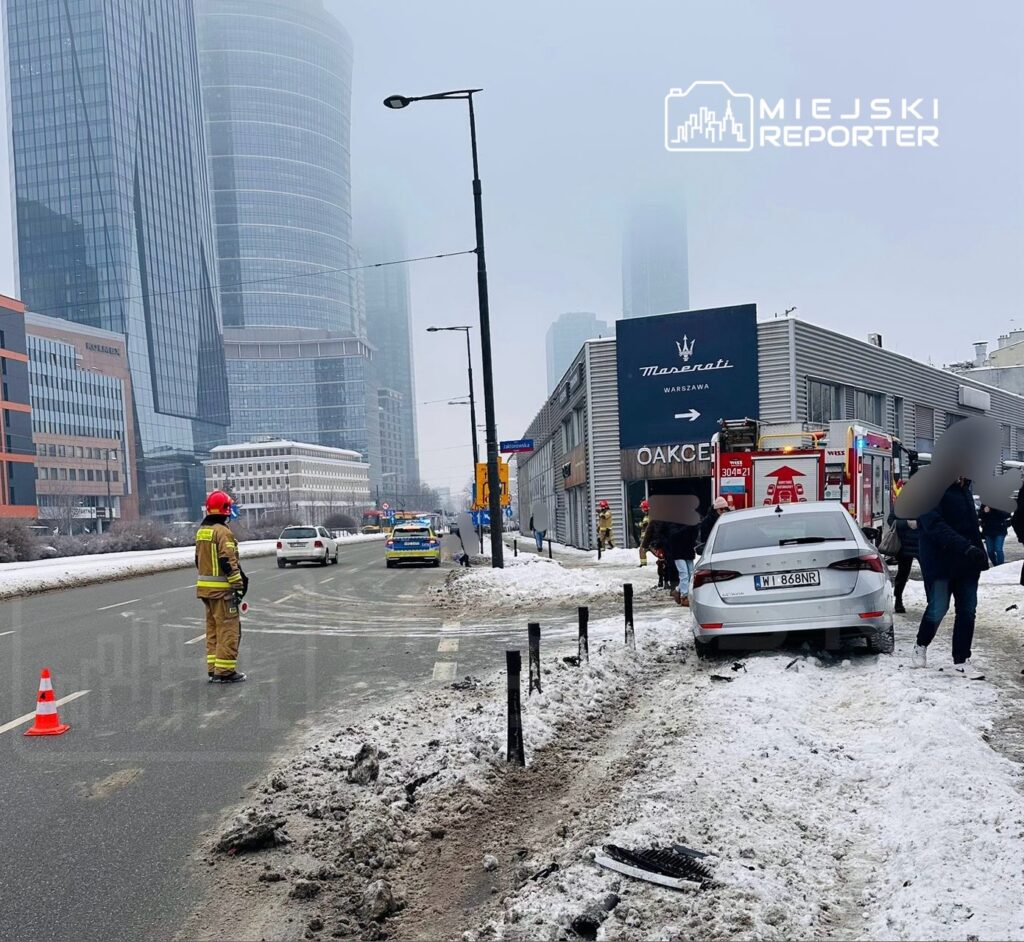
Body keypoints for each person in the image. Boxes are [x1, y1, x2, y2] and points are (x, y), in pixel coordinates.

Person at [912, 477, 988, 678]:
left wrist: (979, 552)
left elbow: (971, 526)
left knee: (967, 611)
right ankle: (921, 644)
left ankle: (961, 660)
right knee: (938, 607)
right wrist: (966, 547)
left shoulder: (965, 489)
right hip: (940, 563)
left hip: (968, 563)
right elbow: (934, 525)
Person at [196, 491, 248, 683]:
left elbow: (198, 560)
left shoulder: (203, 531)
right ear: (225, 509)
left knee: (213, 630)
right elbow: (228, 561)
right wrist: (238, 585)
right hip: (223, 591)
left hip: (206, 590)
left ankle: (213, 669)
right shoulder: (223, 532)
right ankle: (225, 672)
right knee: (228, 629)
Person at [887, 509, 919, 614]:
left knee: (929, 575)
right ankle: (898, 600)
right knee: (902, 574)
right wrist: (906, 523)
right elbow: (891, 520)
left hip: (922, 545)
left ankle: (931, 601)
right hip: (904, 546)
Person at [666, 520, 699, 607]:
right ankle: (684, 596)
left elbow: (694, 535)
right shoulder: (674, 523)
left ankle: (678, 590)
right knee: (684, 574)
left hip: (688, 551)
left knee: (691, 574)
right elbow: (673, 535)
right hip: (678, 552)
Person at [637, 499, 650, 567]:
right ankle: (643, 564)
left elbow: (645, 524)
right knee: (642, 550)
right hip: (646, 536)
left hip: (647, 537)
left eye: (642, 508)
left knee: (642, 549)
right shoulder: (647, 515)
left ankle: (643, 564)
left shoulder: (649, 515)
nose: (641, 509)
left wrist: (640, 524)